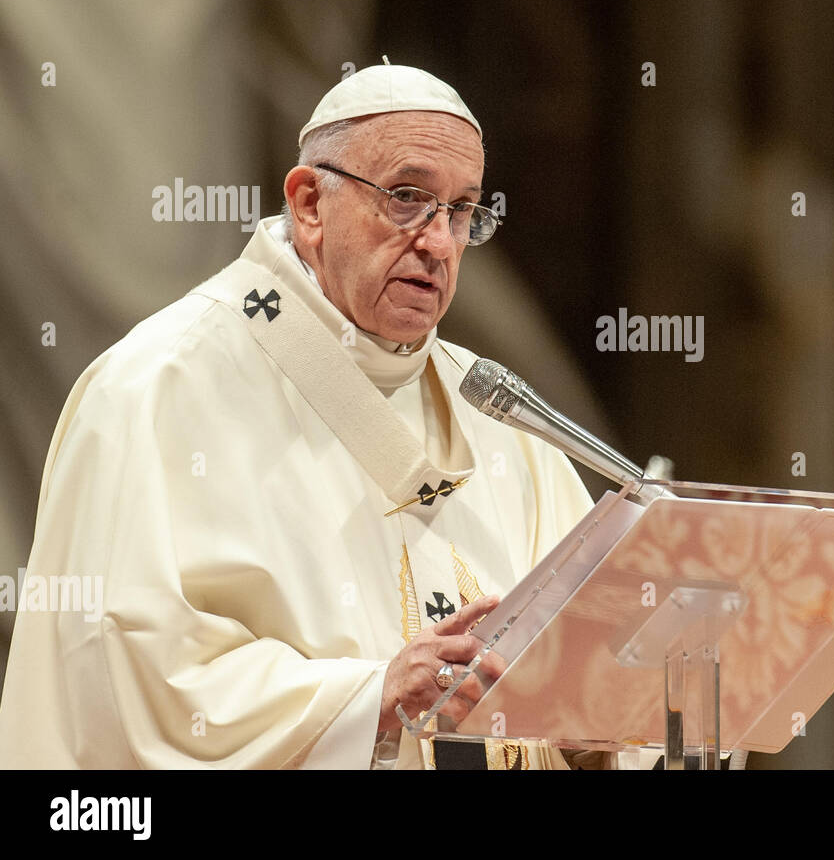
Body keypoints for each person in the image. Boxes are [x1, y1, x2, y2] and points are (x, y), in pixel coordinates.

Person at [0, 64, 596, 769]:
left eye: (462, 211)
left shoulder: (498, 413)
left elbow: (596, 672)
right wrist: (367, 698)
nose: (438, 243)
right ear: (310, 202)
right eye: (407, 198)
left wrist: (604, 722)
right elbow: (119, 677)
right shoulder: (158, 386)